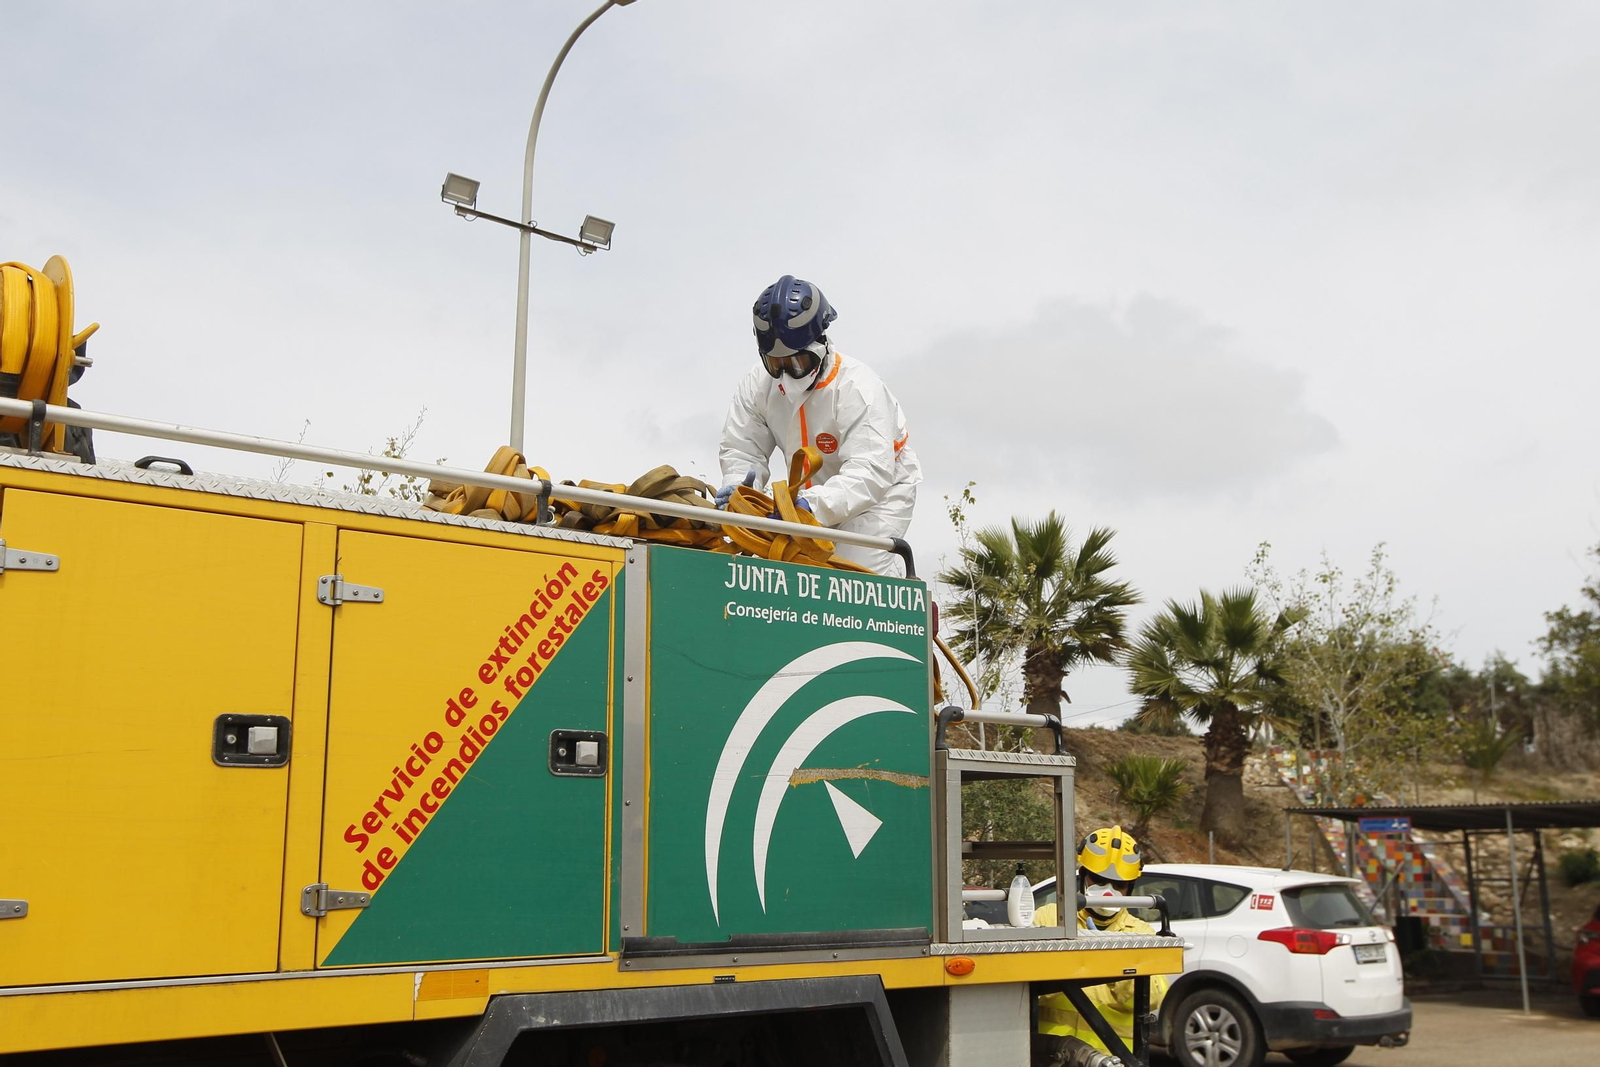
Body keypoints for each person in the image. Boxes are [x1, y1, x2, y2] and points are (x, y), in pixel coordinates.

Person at [716, 275, 920, 576]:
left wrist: (810, 507)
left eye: (797, 363)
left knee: (853, 574)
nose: (786, 376)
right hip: (804, 501)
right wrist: (739, 487)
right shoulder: (757, 386)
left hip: (879, 494)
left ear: (821, 344)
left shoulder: (858, 388)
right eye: (776, 365)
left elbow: (870, 471)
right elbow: (742, 449)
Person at [1032, 826, 1170, 1065]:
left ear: (1131, 887)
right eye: (1099, 880)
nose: (1108, 891)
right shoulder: (1048, 919)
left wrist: (1114, 957)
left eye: (1118, 884)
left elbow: (1151, 997)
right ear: (1082, 876)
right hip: (1051, 1056)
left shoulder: (1140, 933)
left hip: (1112, 1058)